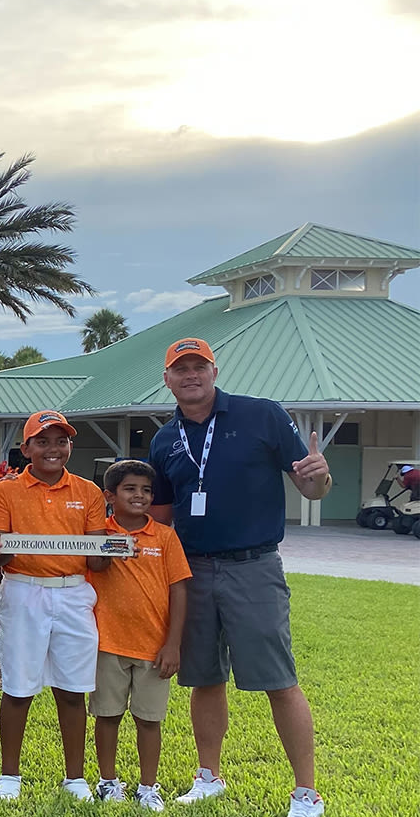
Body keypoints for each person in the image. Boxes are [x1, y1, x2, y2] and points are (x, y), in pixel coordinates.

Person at [149, 338, 330, 817]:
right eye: (180, 368)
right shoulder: (164, 441)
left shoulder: (262, 415)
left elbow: (311, 488)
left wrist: (319, 475)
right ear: (167, 378)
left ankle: (306, 793)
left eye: (199, 366)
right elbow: (161, 520)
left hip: (254, 566)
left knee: (278, 679)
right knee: (204, 677)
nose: (191, 375)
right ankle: (209, 777)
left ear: (214, 371)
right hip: (193, 571)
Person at [0, 410, 110, 802]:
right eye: (42, 441)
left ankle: (75, 778)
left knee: (73, 689)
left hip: (74, 593)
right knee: (18, 688)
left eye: (61, 441)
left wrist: (112, 546)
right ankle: (10, 775)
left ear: (70, 446)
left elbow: (98, 560)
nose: (53, 449)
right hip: (24, 590)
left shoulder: (88, 491)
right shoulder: (6, 492)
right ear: (26, 448)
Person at [88, 459, 191, 810]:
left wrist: (173, 643)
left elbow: (179, 589)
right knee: (108, 715)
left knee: (149, 719)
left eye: (146, 490)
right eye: (130, 489)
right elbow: (91, 567)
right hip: (107, 644)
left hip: (153, 647)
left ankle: (148, 786)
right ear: (110, 495)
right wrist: (106, 547)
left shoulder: (164, 536)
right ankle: (107, 781)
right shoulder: (97, 534)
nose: (140, 496)